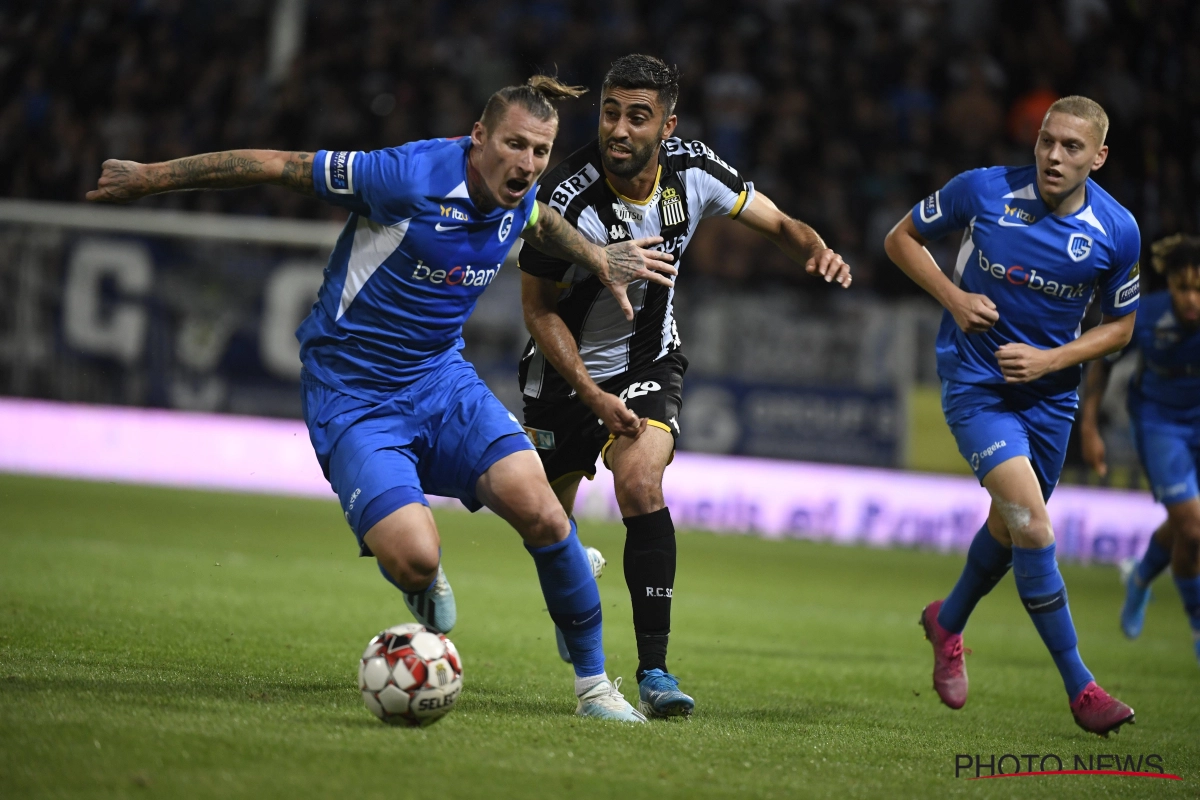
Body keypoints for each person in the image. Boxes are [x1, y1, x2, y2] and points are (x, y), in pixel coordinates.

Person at [85, 76, 679, 722]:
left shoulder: (521, 188)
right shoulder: (405, 175)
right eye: (515, 145)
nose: (528, 163)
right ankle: (421, 577)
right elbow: (278, 166)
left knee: (542, 509)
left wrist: (594, 256)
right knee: (417, 557)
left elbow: (542, 219)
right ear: (479, 138)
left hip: (441, 381)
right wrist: (151, 178)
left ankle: (594, 689)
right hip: (354, 394)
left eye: (541, 151)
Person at [516, 54, 852, 718]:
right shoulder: (565, 197)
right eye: (610, 112)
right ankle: (571, 574)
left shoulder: (693, 173)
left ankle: (654, 672)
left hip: (647, 365)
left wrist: (815, 247)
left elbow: (782, 225)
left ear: (667, 126)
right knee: (544, 528)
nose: (618, 129)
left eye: (636, 117)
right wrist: (589, 394)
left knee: (639, 482)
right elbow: (538, 310)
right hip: (563, 379)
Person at [883, 95, 1140, 735]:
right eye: (1047, 141)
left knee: (1010, 525)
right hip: (977, 385)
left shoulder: (1118, 231)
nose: (1054, 155)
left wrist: (1052, 362)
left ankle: (948, 621)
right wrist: (953, 296)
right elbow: (900, 239)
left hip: (1051, 398)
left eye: (1072, 147)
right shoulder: (984, 191)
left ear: (1098, 157)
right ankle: (1082, 688)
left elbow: (1121, 328)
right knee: (1032, 525)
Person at [1080, 233, 1200, 665]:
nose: (1191, 298)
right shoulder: (1146, 316)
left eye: (1199, 289)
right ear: (1167, 285)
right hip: (1159, 424)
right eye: (1183, 287)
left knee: (1188, 526)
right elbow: (1101, 360)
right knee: (1192, 528)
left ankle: (1140, 577)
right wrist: (1089, 426)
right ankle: (1197, 621)